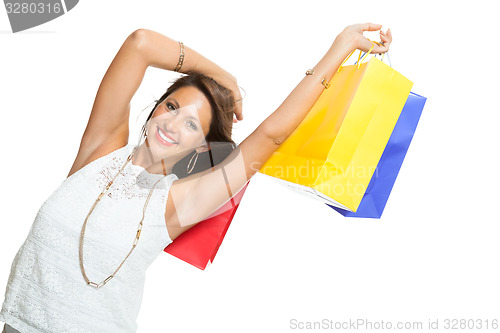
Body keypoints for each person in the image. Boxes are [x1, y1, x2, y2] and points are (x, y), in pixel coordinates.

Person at [0, 23, 391, 333]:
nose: (172, 122)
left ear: (202, 148)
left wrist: (340, 47)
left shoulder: (179, 202)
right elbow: (140, 44)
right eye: (171, 106)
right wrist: (225, 79)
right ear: (155, 108)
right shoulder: (99, 152)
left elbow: (272, 134)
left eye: (191, 124)